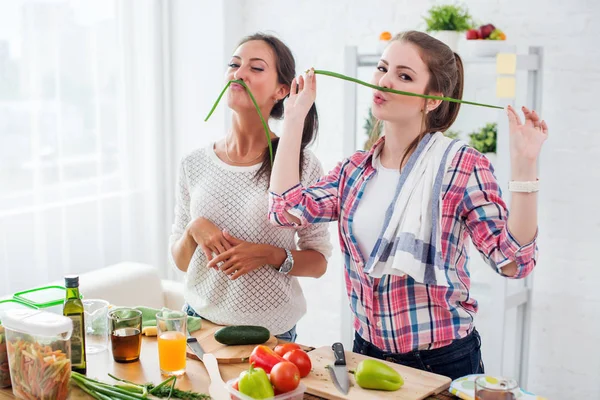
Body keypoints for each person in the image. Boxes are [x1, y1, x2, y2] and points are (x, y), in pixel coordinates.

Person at [268, 30, 547, 378]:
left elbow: (514, 262)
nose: (384, 81)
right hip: (367, 354)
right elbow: (284, 210)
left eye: (404, 76)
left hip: (443, 362)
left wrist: (525, 165)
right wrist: (294, 119)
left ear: (432, 100)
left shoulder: (461, 167)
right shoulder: (354, 171)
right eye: (382, 68)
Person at [169, 33, 332, 342]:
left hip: (271, 335)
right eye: (234, 64)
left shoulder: (303, 165)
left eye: (256, 68)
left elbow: (319, 262)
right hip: (197, 326)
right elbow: (179, 261)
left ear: (282, 91)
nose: (239, 73)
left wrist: (269, 255)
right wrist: (194, 228)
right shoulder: (193, 163)